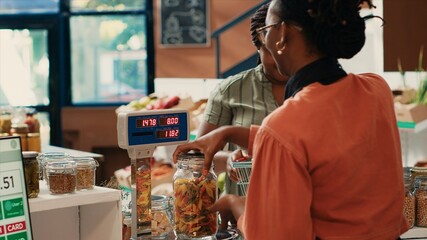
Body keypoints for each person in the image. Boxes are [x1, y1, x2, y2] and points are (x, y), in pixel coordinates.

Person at [174, 0, 409, 239]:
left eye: (266, 31)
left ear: (282, 34)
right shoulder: (376, 89)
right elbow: (323, 141)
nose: (265, 40)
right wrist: (228, 133)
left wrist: (239, 206)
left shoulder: (283, 127)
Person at [198, 2, 288, 195]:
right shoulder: (230, 90)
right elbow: (199, 153)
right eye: (270, 51)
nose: (279, 58)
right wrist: (229, 159)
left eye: (285, 48)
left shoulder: (315, 89)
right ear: (258, 47)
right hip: (242, 212)